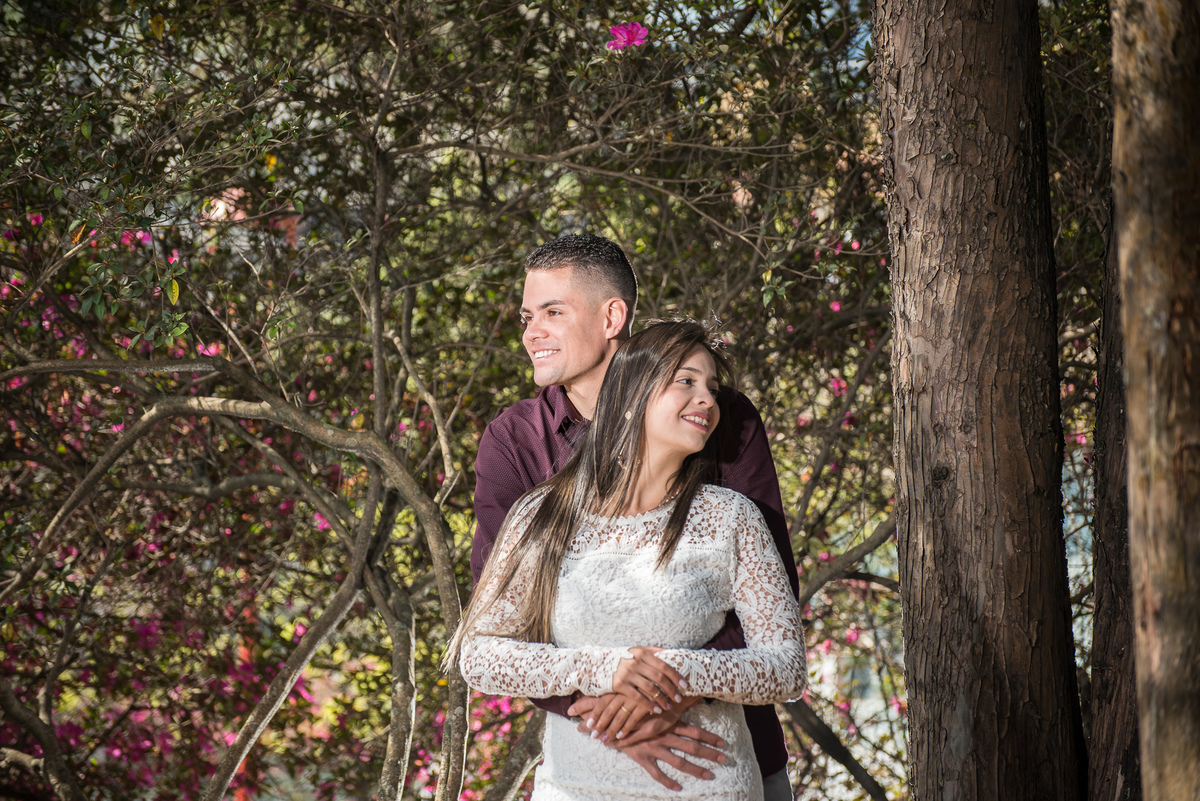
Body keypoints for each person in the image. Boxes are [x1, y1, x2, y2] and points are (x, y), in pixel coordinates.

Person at [471, 235, 801, 798]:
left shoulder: (723, 425)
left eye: (552, 312)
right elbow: (500, 630)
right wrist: (611, 708)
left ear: (612, 316)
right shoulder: (515, 443)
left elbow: (772, 611)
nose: (531, 332)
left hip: (717, 757)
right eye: (528, 316)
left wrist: (664, 693)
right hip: (586, 755)